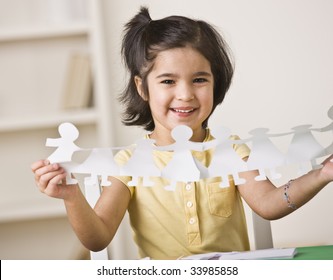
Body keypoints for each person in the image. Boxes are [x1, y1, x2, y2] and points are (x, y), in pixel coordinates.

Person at [31, 7, 333, 260]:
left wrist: (321, 174)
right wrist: (71, 197)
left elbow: (269, 204)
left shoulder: (230, 150)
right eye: (168, 81)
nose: (185, 94)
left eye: (199, 79)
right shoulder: (129, 163)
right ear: (142, 88)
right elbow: (97, 239)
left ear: (217, 84)